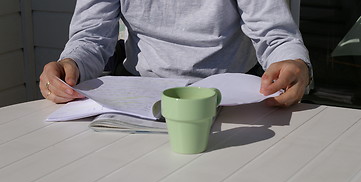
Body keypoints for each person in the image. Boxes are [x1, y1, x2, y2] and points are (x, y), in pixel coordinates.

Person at [39, 0, 312, 107]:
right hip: (140, 94)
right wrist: (70, 64)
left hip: (233, 96)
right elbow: (91, 37)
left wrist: (293, 63)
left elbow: (275, 35)